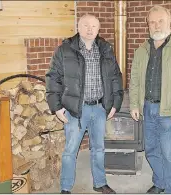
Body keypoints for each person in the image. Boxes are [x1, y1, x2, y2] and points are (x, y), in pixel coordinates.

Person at [45, 14, 123, 194]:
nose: (90, 29)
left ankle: (100, 183)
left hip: (99, 108)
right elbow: (53, 78)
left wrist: (115, 103)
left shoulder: (105, 49)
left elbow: (115, 77)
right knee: (70, 151)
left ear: (98, 29)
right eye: (86, 25)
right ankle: (65, 188)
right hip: (75, 110)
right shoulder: (64, 50)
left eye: (94, 26)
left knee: (98, 149)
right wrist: (56, 107)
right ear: (78, 27)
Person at [129, 5, 171, 194]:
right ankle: (159, 182)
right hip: (148, 108)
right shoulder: (142, 49)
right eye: (152, 22)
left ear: (168, 22)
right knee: (151, 151)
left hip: (169, 111)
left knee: (170, 156)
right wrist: (134, 103)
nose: (156, 25)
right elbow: (134, 80)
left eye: (161, 21)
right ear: (148, 25)